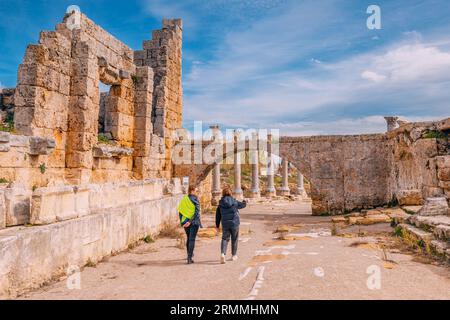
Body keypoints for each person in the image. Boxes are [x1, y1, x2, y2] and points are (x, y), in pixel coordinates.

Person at [215, 187, 247, 264]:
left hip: (225, 223)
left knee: (225, 239)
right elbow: (242, 205)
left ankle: (223, 253)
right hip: (234, 223)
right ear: (230, 193)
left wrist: (217, 225)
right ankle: (234, 255)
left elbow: (218, 215)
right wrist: (244, 201)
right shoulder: (234, 201)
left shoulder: (220, 203)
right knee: (234, 239)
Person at [178, 185, 202, 264]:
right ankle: (189, 257)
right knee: (192, 239)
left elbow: (180, 211)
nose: (197, 192)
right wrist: (190, 221)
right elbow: (197, 213)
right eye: (196, 190)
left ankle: (189, 255)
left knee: (189, 238)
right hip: (194, 222)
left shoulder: (184, 199)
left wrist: (183, 222)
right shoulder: (195, 200)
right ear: (192, 190)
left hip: (186, 222)